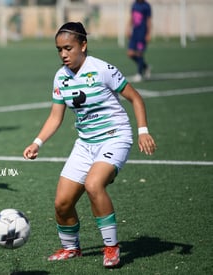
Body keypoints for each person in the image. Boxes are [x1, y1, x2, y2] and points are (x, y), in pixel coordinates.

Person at [23, 22, 156, 267]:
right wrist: (37, 143)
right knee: (62, 203)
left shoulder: (102, 69)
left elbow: (135, 98)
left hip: (115, 137)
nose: (63, 54)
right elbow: (55, 117)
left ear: (83, 45)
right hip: (85, 143)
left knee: (94, 184)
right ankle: (71, 249)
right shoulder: (61, 77)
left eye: (68, 48)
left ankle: (111, 248)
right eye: (59, 50)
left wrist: (143, 131)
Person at [127, 0, 152, 82]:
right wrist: (128, 29)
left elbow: (148, 20)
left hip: (142, 33)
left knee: (139, 53)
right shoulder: (134, 4)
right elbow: (131, 18)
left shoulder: (146, 6)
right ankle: (146, 67)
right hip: (135, 33)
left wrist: (148, 33)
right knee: (130, 53)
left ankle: (139, 73)